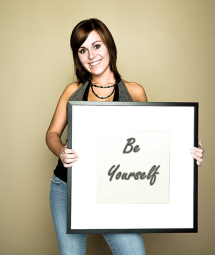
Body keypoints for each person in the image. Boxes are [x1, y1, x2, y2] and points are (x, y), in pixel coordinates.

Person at [46, 18, 204, 255]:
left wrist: (186, 150)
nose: (91, 55)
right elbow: (52, 134)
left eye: (97, 46)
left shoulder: (135, 91)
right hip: (67, 186)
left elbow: (151, 145)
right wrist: (60, 150)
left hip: (116, 192)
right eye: (82, 50)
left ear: (109, 45)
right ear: (77, 56)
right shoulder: (73, 90)